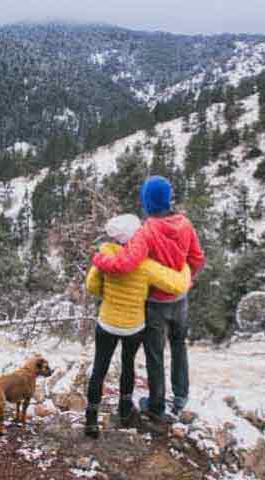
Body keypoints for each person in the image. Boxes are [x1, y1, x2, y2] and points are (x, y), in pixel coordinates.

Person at [91, 176, 206, 424]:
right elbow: (197, 258)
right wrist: (186, 278)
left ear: (147, 202)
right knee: (179, 345)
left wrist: (99, 260)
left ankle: (155, 406)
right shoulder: (185, 224)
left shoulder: (146, 231)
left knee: (155, 353)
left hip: (155, 302)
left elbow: (126, 263)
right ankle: (181, 396)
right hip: (180, 297)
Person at [83, 214, 191, 439]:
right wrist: (186, 268)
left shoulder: (104, 258)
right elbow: (177, 284)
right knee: (128, 365)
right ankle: (124, 411)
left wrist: (108, 294)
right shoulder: (145, 265)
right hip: (133, 326)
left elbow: (91, 286)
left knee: (99, 370)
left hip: (107, 322)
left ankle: (91, 420)